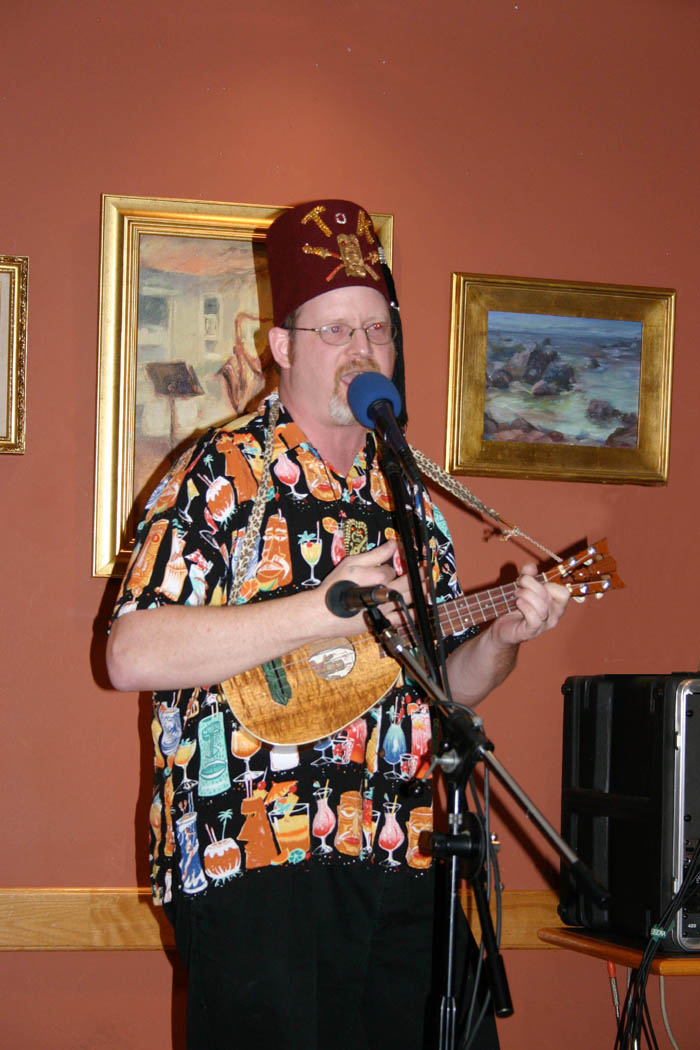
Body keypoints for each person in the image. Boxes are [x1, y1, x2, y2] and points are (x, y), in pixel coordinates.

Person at [107, 199, 569, 1050]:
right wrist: (317, 611)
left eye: (377, 330)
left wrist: (502, 638)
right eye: (334, 332)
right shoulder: (222, 471)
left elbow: (441, 685)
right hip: (249, 859)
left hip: (402, 858)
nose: (362, 350)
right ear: (280, 347)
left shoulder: (410, 500)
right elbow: (131, 652)